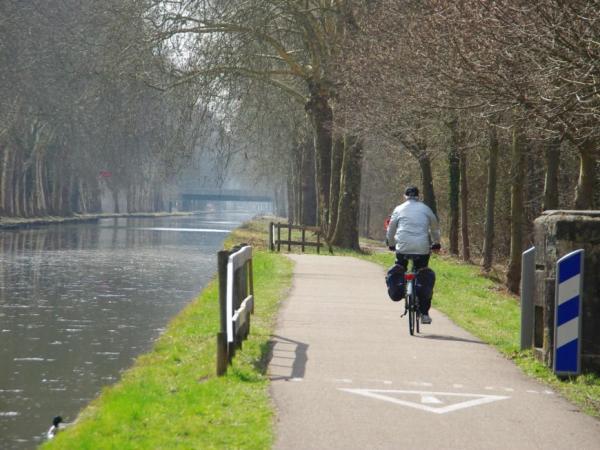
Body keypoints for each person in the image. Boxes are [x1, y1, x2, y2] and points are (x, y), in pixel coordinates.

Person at [386, 186, 441, 324]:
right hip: (421, 247)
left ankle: (400, 287)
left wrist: (391, 243)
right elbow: (435, 228)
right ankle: (424, 314)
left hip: (402, 247)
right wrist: (436, 243)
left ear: (405, 196)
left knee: (400, 267)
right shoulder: (426, 209)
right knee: (422, 273)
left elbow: (391, 228)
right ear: (418, 196)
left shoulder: (398, 209)